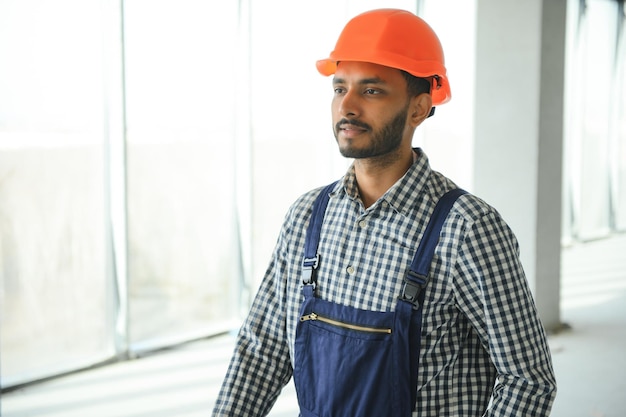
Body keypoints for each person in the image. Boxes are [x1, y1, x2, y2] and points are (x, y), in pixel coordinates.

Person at [213, 8, 556, 416]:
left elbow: (528, 380)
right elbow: (261, 350)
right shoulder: (307, 216)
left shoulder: (466, 229)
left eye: (371, 91)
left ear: (418, 108)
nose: (348, 106)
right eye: (340, 89)